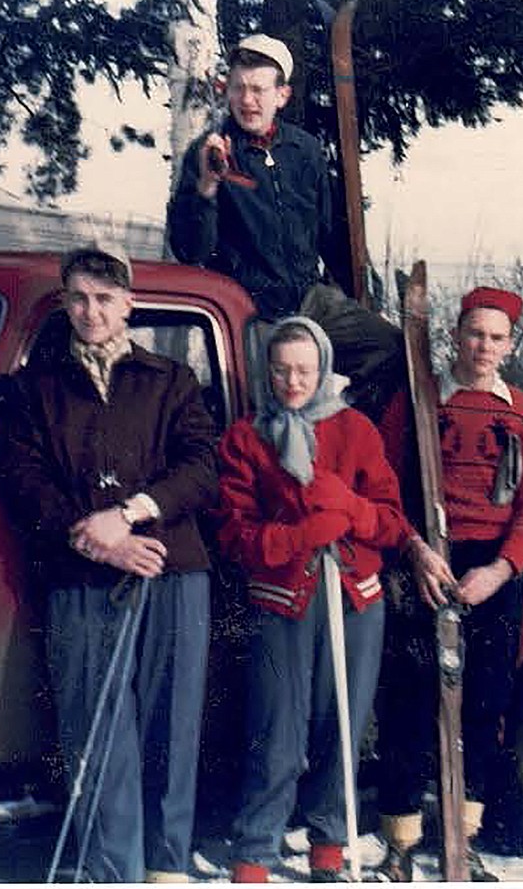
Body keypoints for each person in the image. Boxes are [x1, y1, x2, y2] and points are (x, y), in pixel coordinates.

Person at [0, 239, 218, 883]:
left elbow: (203, 468)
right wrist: (89, 533)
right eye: (79, 299)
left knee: (171, 725)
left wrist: (131, 514)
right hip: (83, 571)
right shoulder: (38, 389)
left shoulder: (169, 380)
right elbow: (23, 478)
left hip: (169, 569)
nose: (91, 312)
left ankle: (167, 867)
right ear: (65, 304)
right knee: (96, 726)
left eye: (104, 299)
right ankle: (113, 869)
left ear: (129, 304)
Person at [215, 316, 414, 882]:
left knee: (342, 723)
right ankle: (257, 845)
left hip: (355, 599)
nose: (293, 382)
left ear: (323, 368)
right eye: (281, 370)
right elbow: (234, 533)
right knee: (276, 728)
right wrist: (301, 535)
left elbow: (393, 523)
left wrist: (349, 509)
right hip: (281, 598)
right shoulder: (246, 437)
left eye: (304, 370)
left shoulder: (357, 430)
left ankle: (329, 842)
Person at [374, 286, 523, 881]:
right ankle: (400, 836)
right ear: (456, 335)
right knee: (411, 701)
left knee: (484, 704)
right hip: (427, 561)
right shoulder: (418, 402)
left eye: (497, 337)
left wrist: (500, 571)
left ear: (510, 344)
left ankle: (462, 836)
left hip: (492, 571)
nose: (485, 347)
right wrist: (417, 551)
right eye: (475, 333)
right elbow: (385, 491)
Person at [168, 34, 338, 322]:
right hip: (249, 312)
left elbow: (326, 231)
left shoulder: (305, 149)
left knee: (388, 346)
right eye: (238, 88)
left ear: (282, 95)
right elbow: (190, 251)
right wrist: (207, 186)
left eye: (258, 89)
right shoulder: (207, 152)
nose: (247, 101)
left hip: (311, 302)